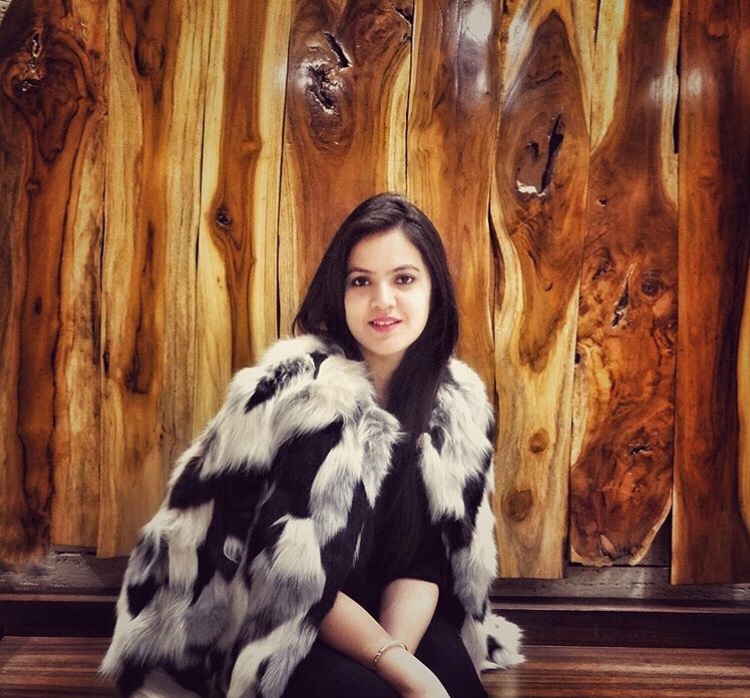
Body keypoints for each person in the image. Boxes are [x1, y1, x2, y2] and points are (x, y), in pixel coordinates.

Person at [101, 193, 523, 698]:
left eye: (404, 279)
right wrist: (393, 669)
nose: (382, 300)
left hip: (384, 610)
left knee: (454, 686)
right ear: (339, 293)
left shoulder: (456, 404)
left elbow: (422, 561)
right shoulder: (306, 395)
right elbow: (291, 577)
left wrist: (399, 660)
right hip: (265, 614)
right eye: (360, 281)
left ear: (434, 290)